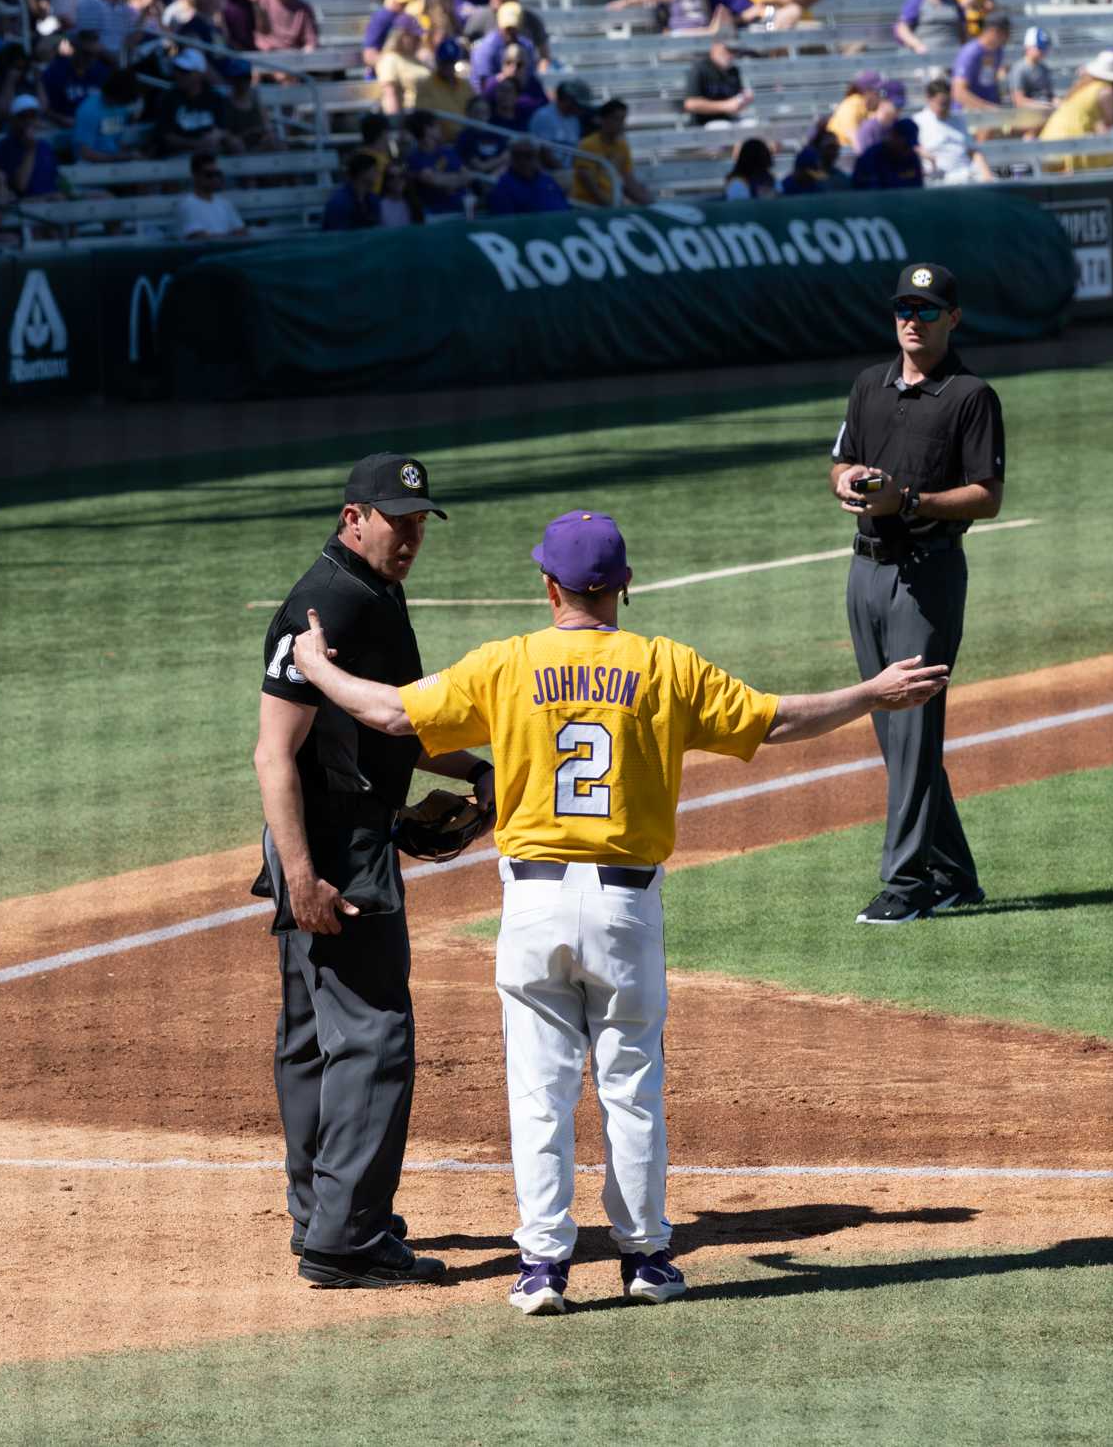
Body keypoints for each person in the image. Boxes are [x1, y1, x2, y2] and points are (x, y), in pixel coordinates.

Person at [285, 508, 948, 1313]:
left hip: (531, 905)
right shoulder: (663, 666)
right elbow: (776, 719)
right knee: (630, 1082)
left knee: (540, 1089)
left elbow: (390, 714)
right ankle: (645, 1258)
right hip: (626, 908)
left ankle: (541, 1268)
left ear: (547, 585)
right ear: (624, 585)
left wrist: (316, 666)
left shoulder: (509, 663)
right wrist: (873, 691)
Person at [251, 454, 473, 1291]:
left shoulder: (373, 588)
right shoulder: (329, 601)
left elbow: (398, 724)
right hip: (333, 850)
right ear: (353, 517)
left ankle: (323, 1212)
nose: (410, 534)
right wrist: (301, 876)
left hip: (336, 837)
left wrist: (474, 770)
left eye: (419, 520)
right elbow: (274, 754)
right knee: (375, 1036)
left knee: (314, 1037)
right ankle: (344, 1240)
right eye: (394, 519)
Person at [830, 262, 1004, 926]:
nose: (912, 319)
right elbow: (840, 463)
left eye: (928, 309)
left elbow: (987, 495)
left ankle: (906, 881)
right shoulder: (868, 386)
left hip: (927, 577)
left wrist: (913, 499)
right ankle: (955, 873)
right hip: (865, 572)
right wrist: (848, 484)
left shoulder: (970, 395)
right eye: (905, 306)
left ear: (952, 319)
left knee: (916, 726)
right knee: (893, 729)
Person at [1039, 50, 1113, 169]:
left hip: (1048, 143)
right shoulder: (1106, 91)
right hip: (1070, 148)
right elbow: (1111, 123)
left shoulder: (1082, 87)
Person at [571, 95, 650, 206]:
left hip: (612, 203)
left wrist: (648, 203)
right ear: (603, 120)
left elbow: (628, 180)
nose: (621, 124)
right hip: (587, 206)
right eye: (616, 119)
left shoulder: (622, 146)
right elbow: (588, 183)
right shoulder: (588, 145)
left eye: (623, 119)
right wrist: (611, 208)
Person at [154, 46, 230, 155]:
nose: (178, 75)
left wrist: (219, 136)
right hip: (177, 159)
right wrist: (196, 144)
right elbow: (166, 136)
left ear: (199, 74)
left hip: (212, 157)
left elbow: (223, 129)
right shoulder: (168, 99)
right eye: (177, 69)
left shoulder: (215, 98)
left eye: (185, 71)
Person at [915, 77, 991, 182]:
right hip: (939, 178)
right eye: (942, 104)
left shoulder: (959, 120)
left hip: (966, 174)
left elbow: (973, 151)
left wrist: (987, 174)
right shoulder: (918, 121)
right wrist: (924, 155)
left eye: (948, 103)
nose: (946, 107)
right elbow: (911, 148)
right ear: (929, 99)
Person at [0, 95, 63, 197]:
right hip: (25, 206)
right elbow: (20, 187)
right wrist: (30, 150)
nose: (29, 120)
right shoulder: (4, 147)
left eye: (33, 116)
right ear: (13, 120)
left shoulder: (45, 146)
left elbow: (56, 179)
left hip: (53, 203)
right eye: (23, 116)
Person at [401, 110, 468, 216]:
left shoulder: (448, 151)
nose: (440, 129)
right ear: (427, 129)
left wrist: (447, 181)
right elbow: (434, 181)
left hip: (461, 210)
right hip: (435, 215)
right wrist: (456, 179)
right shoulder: (414, 158)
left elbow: (467, 176)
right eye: (436, 126)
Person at [74, 67, 149, 162]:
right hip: (91, 168)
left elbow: (118, 140)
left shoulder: (121, 108)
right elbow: (85, 153)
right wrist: (123, 157)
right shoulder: (89, 110)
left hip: (115, 162)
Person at [41, 27, 112, 125]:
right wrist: (61, 119)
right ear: (75, 49)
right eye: (86, 53)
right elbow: (45, 109)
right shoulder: (56, 71)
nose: (90, 58)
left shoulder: (102, 72)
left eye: (95, 54)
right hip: (62, 127)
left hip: (95, 127)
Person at [486, 136, 568, 213]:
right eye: (517, 156)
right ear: (511, 158)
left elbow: (564, 208)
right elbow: (506, 223)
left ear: (537, 157)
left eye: (528, 155)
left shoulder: (548, 181)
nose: (523, 161)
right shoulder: (503, 187)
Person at [176, 148, 247, 236]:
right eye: (209, 175)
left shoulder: (225, 203)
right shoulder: (188, 205)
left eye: (217, 174)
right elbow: (198, 237)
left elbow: (242, 232)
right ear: (195, 176)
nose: (215, 179)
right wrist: (230, 236)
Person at [951, 10, 1009, 114]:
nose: (1007, 38)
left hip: (990, 109)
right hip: (968, 111)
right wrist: (987, 108)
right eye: (1005, 33)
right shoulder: (971, 53)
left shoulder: (998, 51)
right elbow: (958, 92)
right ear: (993, 31)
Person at [683, 38, 750, 126]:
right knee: (722, 125)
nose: (732, 55)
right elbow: (691, 104)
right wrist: (725, 106)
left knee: (753, 125)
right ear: (715, 47)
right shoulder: (700, 68)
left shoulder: (733, 70)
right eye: (729, 50)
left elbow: (736, 102)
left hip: (730, 121)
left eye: (735, 51)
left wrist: (744, 100)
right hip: (703, 124)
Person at [376, 14, 433, 113]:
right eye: (414, 37)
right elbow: (390, 95)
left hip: (430, 115)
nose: (418, 40)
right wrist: (397, 124)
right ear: (401, 36)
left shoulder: (415, 58)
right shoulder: (390, 60)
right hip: (411, 117)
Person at [850, 114, 923, 187]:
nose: (907, 149)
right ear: (894, 136)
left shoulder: (912, 158)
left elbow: (917, 187)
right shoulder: (871, 157)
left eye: (909, 146)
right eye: (905, 145)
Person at [894, 0, 965, 53]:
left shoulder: (953, 1)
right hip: (927, 55)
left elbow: (962, 30)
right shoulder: (917, 0)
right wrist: (917, 45)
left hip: (953, 53)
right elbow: (902, 29)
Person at [827, 70, 884, 152]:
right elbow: (854, 138)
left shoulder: (869, 106)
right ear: (867, 91)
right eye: (877, 91)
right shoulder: (852, 104)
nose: (879, 94)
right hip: (840, 154)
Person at [254, 0, 318, 50]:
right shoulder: (260, 2)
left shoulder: (302, 9)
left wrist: (308, 51)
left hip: (293, 54)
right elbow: (255, 34)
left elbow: (310, 39)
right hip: (264, 54)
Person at [323, 151, 381, 228]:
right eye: (374, 170)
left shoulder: (373, 199)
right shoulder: (339, 202)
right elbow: (338, 236)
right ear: (362, 172)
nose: (378, 173)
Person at [1011, 27, 1054, 111]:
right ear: (1028, 47)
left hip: (1045, 112)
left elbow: (1050, 96)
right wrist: (1045, 106)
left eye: (1044, 48)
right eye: (1039, 48)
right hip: (1027, 117)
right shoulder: (1019, 69)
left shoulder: (1044, 68)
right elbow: (1019, 101)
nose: (1043, 51)